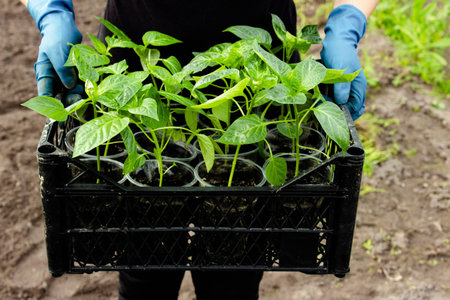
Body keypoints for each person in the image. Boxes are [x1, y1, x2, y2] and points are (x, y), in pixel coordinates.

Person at [21, 0, 379, 299]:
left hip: (257, 77)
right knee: (144, 264)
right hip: (138, 76)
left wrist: (349, 19)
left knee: (234, 268)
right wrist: (51, 12)